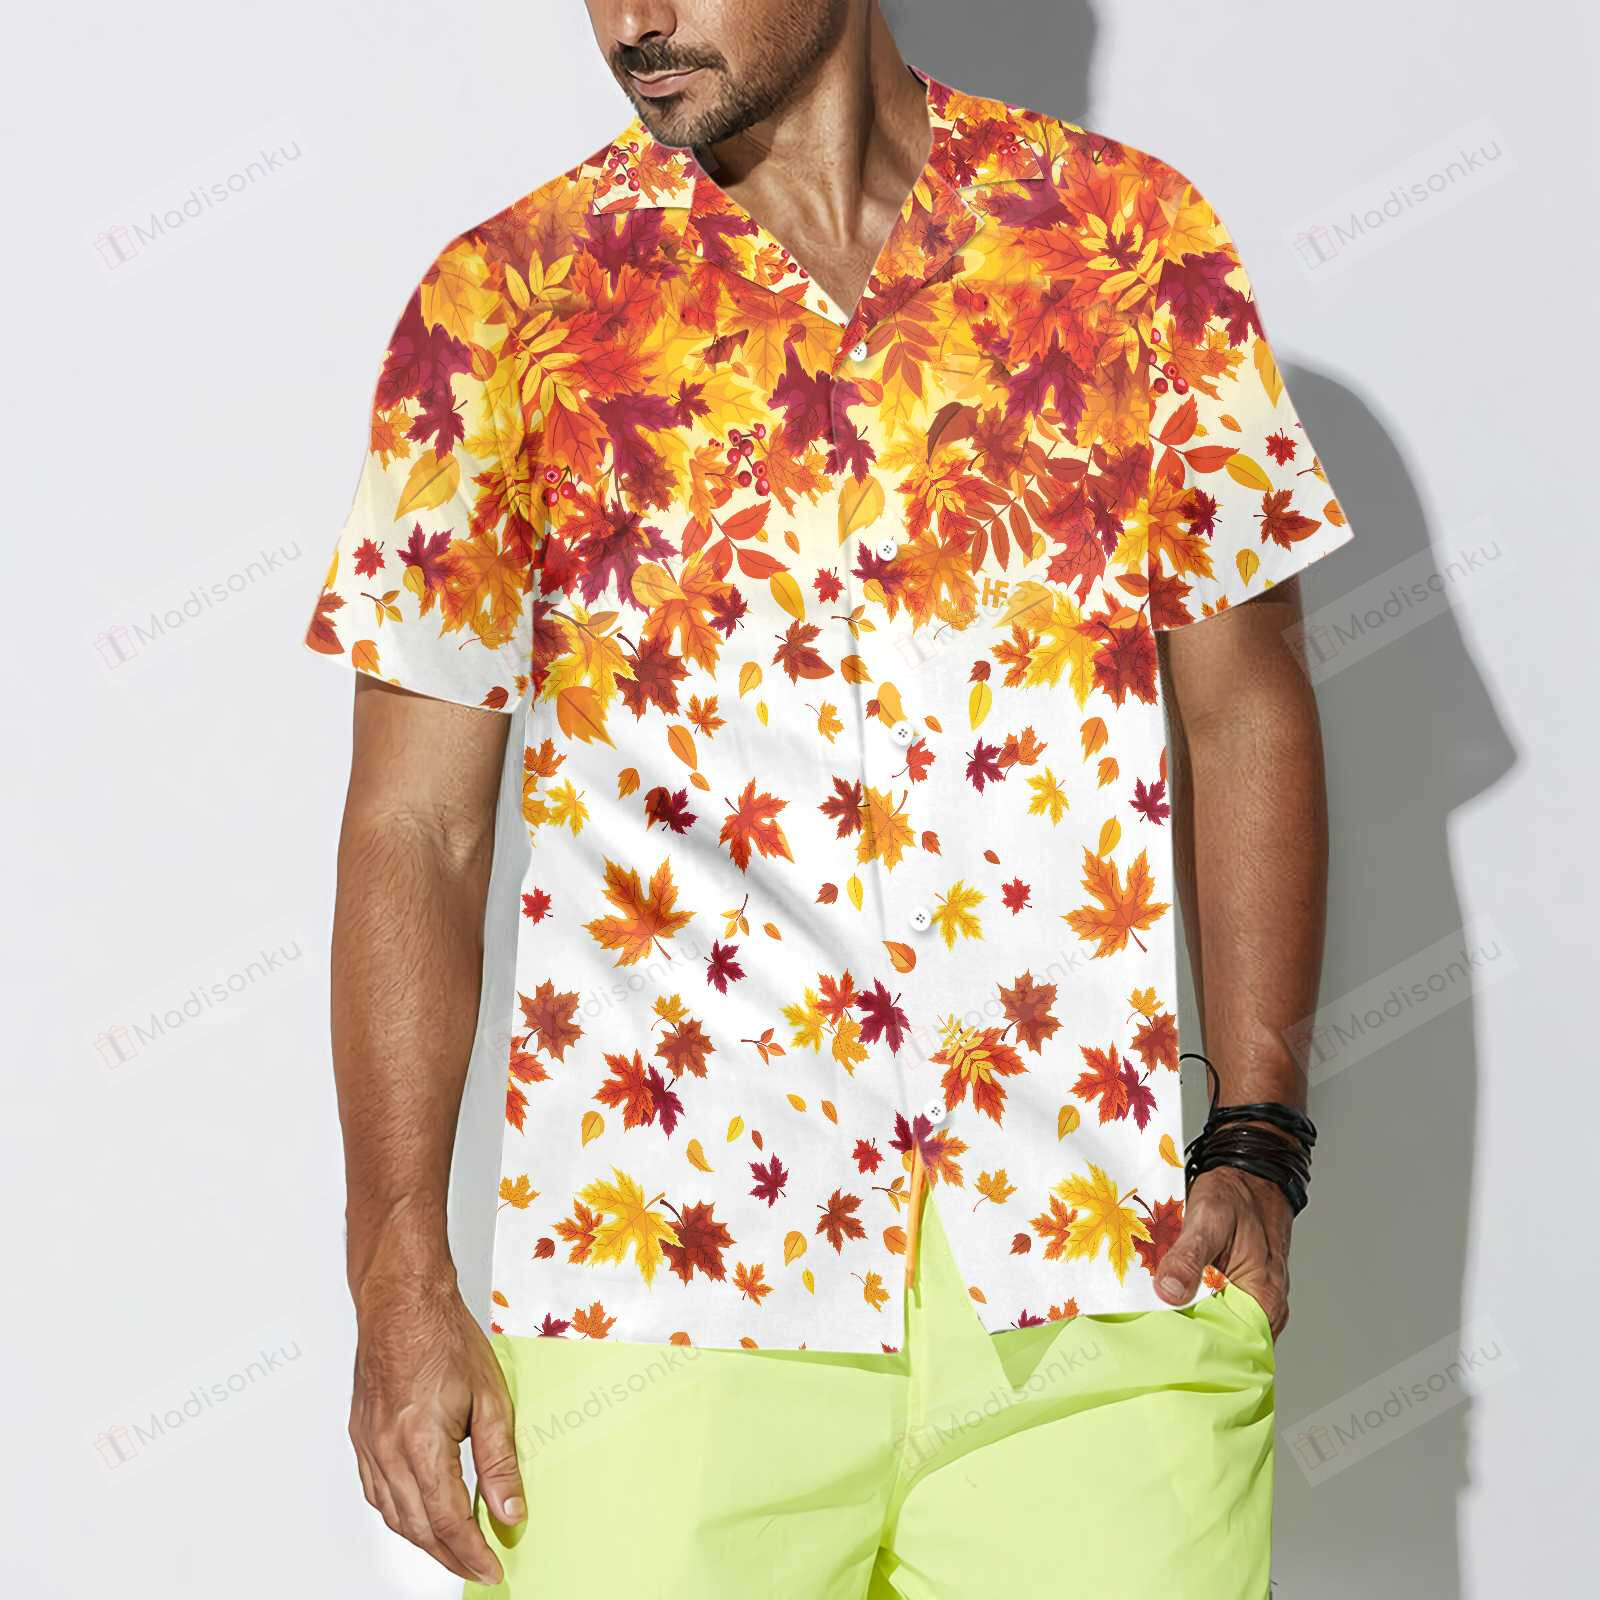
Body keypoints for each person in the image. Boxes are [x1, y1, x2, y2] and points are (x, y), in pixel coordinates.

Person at [304, 2, 1351, 1593]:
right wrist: (396, 1275)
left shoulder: (1130, 243)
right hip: (656, 1297)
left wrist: (1260, 1133)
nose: (635, 20)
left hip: (1098, 1275)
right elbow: (416, 827)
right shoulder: (507, 305)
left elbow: (1247, 699)